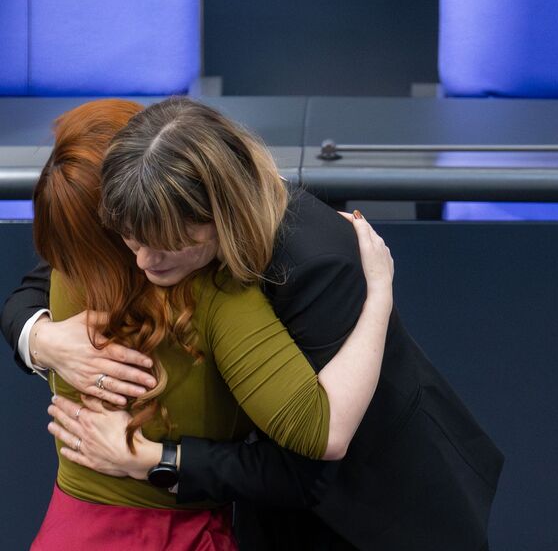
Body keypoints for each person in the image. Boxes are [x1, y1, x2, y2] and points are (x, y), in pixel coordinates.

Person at [3, 97, 504, 550]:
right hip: (255, 510)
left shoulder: (314, 262)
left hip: (373, 514)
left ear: (216, 216)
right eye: (130, 240)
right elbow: (51, 276)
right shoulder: (154, 222)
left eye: (165, 245)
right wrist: (42, 340)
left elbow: (317, 456)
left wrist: (152, 458)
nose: (143, 264)